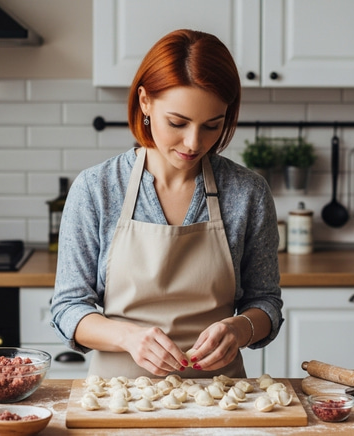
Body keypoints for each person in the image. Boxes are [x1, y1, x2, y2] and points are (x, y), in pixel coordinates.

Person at [50, 29, 283, 379]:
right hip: (119, 398)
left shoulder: (247, 192)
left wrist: (240, 329)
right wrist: (128, 337)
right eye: (178, 122)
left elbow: (266, 303)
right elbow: (67, 309)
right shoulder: (96, 189)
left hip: (222, 403)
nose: (193, 142)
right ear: (145, 102)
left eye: (212, 126)